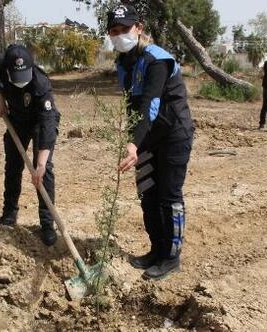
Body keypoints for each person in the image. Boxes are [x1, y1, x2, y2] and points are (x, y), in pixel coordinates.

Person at [106, 4, 194, 280]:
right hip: (146, 139)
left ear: (139, 28)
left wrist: (133, 144)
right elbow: (132, 107)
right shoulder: (123, 63)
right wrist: (134, 140)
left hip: (173, 136)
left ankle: (171, 257)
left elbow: (149, 105)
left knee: (168, 197)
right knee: (147, 195)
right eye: (114, 31)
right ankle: (156, 249)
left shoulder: (157, 60)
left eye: (125, 29)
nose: (120, 35)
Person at [0, 44, 60, 246]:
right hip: (17, 120)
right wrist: (0, 100)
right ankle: (9, 214)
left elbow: (48, 124)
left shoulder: (41, 83)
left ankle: (47, 224)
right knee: (12, 165)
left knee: (44, 170)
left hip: (40, 121)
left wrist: (39, 164)